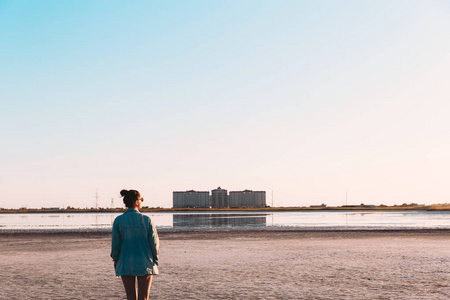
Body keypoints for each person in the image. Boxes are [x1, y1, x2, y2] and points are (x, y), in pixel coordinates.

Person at [111, 189, 160, 300]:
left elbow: (115, 244)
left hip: (125, 262)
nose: (142, 202)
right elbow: (154, 243)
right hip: (145, 262)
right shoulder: (147, 220)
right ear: (136, 201)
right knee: (144, 298)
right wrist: (155, 259)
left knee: (130, 297)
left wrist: (115, 259)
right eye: (141, 199)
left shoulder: (119, 220)